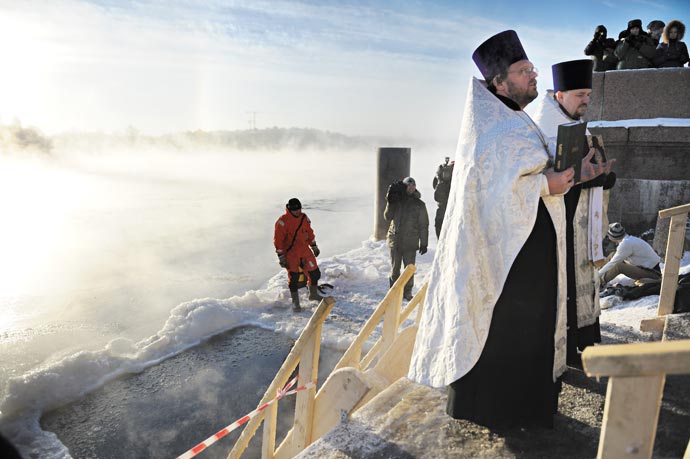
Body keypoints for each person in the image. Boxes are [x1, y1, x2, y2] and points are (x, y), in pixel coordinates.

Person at [408, 30, 606, 429]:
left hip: (526, 253)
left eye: (532, 69)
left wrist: (573, 174)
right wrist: (544, 184)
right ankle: (499, 409)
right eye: (523, 71)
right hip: (506, 264)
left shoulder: (512, 117)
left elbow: (521, 175)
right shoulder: (490, 126)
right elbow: (490, 191)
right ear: (499, 82)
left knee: (528, 328)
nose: (533, 76)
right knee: (506, 329)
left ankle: (528, 404)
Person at [532, 59, 616, 367]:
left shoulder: (580, 126)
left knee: (582, 280)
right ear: (559, 95)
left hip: (580, 223)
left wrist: (603, 176)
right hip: (557, 226)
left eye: (588, 95)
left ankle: (582, 343)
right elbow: (541, 180)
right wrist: (582, 177)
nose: (586, 100)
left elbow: (588, 169)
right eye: (580, 94)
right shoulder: (544, 128)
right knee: (563, 286)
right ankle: (564, 352)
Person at [384, 176, 429, 301]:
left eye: (413, 185)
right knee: (395, 270)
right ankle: (394, 294)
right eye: (408, 185)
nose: (411, 187)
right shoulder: (396, 201)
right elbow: (387, 217)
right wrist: (390, 201)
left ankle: (407, 293)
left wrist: (424, 243)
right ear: (404, 187)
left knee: (409, 270)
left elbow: (423, 225)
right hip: (395, 241)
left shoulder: (420, 205)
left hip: (410, 243)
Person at [274, 198, 322, 312]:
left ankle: (313, 294)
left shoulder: (304, 218)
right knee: (294, 277)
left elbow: (309, 232)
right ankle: (296, 303)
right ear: (289, 209)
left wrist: (313, 245)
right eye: (294, 210)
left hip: (305, 250)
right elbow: (278, 241)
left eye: (299, 209)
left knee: (315, 273)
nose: (297, 211)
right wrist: (281, 256)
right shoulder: (282, 222)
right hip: (291, 253)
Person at [432, 157, 454, 238]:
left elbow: (435, 186)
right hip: (449, 209)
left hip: (442, 209)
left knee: (442, 236)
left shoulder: (441, 179)